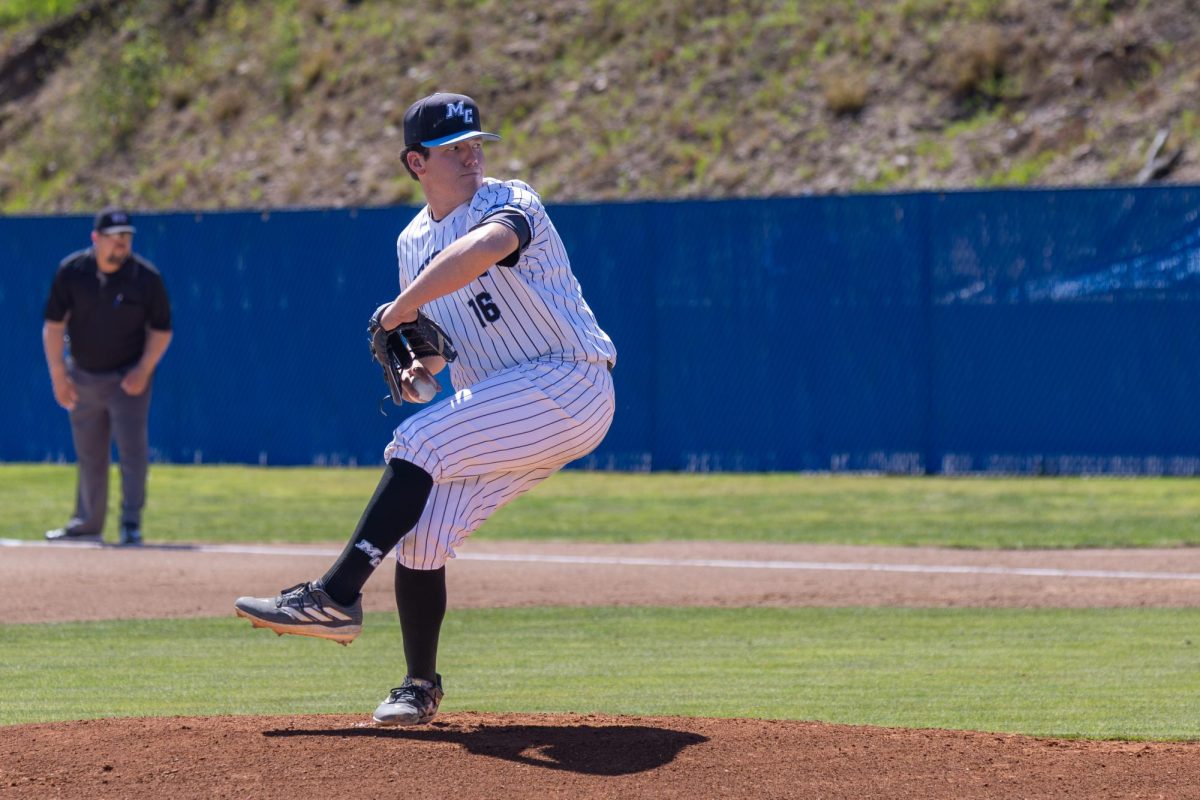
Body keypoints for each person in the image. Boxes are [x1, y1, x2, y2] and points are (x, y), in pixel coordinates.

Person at [235, 92, 617, 726]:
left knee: (419, 444)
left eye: (476, 143)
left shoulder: (509, 200)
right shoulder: (412, 244)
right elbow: (440, 361)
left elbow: (481, 254)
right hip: (504, 406)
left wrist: (398, 308)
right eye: (453, 148)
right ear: (416, 162)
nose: (472, 155)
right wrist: (417, 371)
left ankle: (334, 595)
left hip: (569, 384)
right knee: (424, 534)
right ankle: (419, 686)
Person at [42, 207, 173, 546]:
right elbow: (54, 326)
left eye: (126, 238)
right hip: (83, 375)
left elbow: (162, 330)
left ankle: (131, 524)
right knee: (90, 453)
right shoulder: (72, 272)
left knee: (132, 453)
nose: (121, 245)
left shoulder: (145, 278)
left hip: (127, 379)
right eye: (115, 238)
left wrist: (143, 370)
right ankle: (87, 524)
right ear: (96, 239)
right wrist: (59, 373)